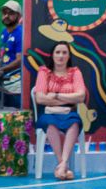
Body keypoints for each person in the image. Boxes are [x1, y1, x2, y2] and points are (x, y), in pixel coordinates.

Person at [32, 41, 88, 180]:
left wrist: (56, 95)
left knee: (74, 123)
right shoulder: (44, 72)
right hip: (49, 113)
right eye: (58, 52)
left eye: (64, 53)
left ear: (69, 56)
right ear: (52, 55)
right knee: (50, 124)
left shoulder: (75, 72)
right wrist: (69, 98)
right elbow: (40, 98)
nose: (61, 56)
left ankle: (62, 166)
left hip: (69, 112)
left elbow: (81, 97)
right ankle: (63, 164)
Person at [0, 0, 24, 109]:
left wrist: (1, 70)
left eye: (11, 13)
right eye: (4, 13)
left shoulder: (21, 33)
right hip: (2, 82)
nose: (6, 16)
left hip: (15, 85)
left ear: (19, 16)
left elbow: (20, 60)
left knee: (15, 115)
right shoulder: (4, 32)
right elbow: (1, 56)